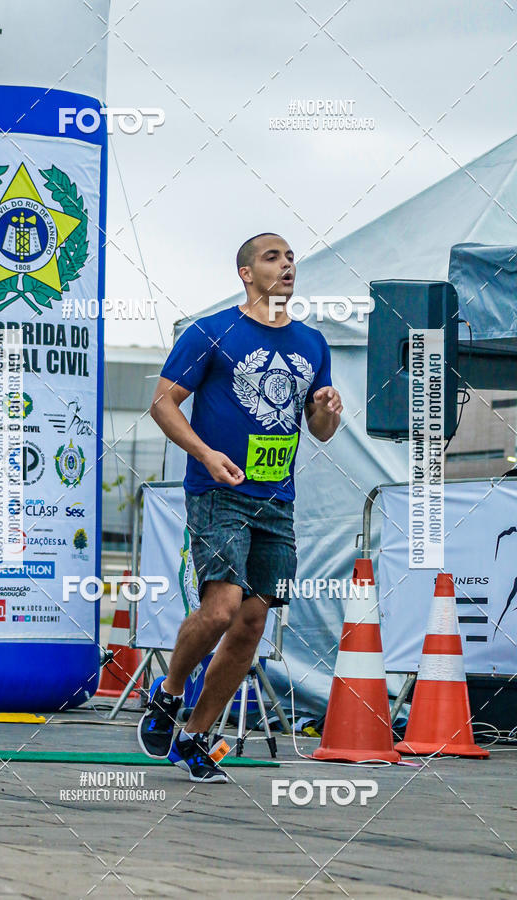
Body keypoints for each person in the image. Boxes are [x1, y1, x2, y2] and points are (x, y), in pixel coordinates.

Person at [137, 233, 342, 782]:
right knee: (221, 609)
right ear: (246, 273)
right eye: (273, 257)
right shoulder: (212, 331)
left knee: (251, 624)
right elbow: (162, 403)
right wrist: (205, 454)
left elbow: (320, 430)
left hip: (277, 499)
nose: (287, 264)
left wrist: (328, 408)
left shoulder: (313, 343)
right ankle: (169, 691)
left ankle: (195, 736)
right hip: (219, 490)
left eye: (291, 256)